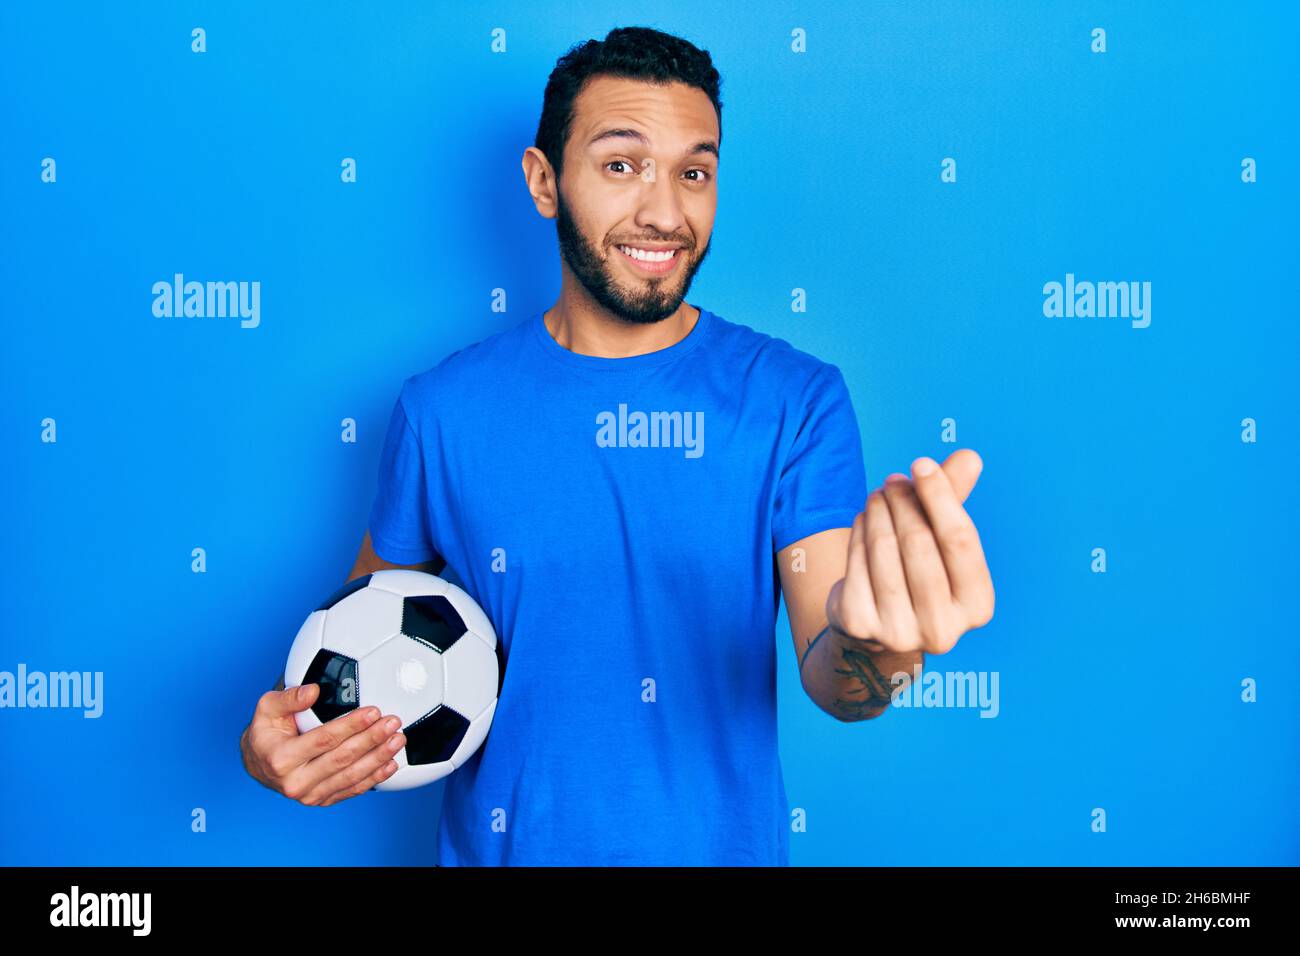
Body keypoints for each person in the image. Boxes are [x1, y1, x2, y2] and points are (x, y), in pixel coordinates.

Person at [240, 25, 994, 866]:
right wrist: (280, 744)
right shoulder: (440, 412)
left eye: (694, 172)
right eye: (621, 164)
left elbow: (837, 675)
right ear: (543, 182)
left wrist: (883, 645)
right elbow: (352, 657)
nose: (665, 212)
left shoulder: (795, 400)